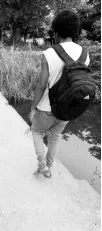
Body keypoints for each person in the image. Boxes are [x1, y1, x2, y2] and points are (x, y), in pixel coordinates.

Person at [29, 10, 90, 178]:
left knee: (36, 131)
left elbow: (41, 86)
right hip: (68, 108)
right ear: (75, 31)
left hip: (47, 108)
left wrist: (33, 109)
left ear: (55, 31)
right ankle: (48, 166)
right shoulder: (85, 54)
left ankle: (42, 166)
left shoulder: (49, 53)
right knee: (55, 137)